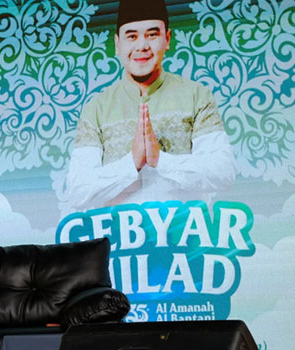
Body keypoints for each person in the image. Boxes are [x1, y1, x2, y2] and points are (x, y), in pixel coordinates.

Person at [62, 0, 236, 213]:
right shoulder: (96, 109)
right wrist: (132, 163)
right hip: (120, 233)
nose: (142, 46)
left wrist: (161, 160)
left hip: (185, 232)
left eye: (152, 35)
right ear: (117, 44)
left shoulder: (197, 96)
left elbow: (224, 172)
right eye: (131, 36)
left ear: (167, 39)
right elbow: (78, 191)